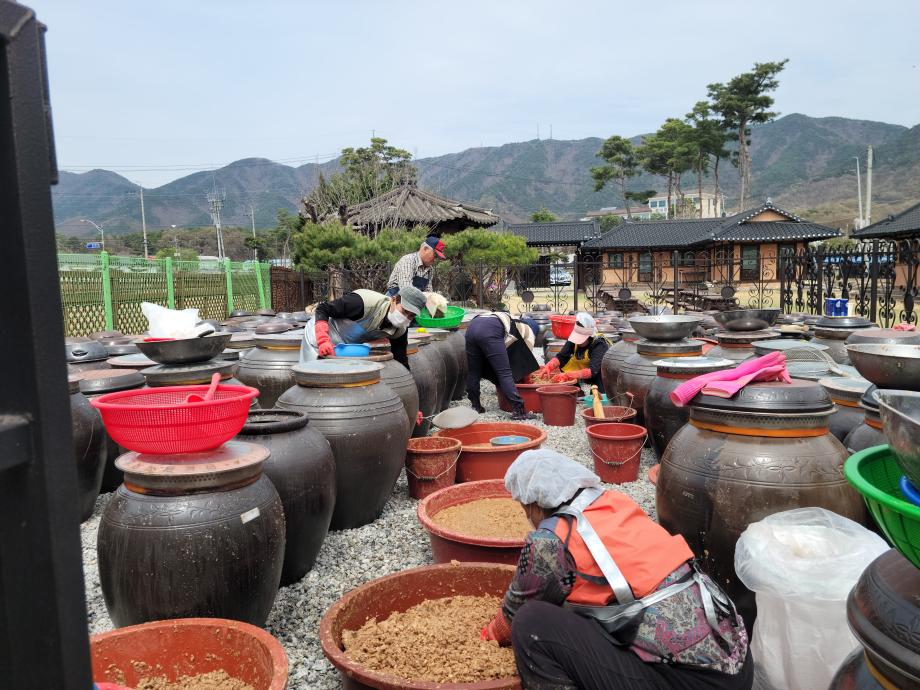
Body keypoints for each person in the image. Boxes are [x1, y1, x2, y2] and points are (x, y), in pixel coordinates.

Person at [482, 450, 752, 690]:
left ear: (534, 504)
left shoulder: (551, 540)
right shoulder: (614, 503)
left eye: (523, 508)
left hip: (691, 680)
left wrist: (487, 636)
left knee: (531, 622)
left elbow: (513, 613)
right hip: (737, 664)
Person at [300, 285, 427, 372]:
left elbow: (401, 360)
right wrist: (323, 339)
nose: (405, 318)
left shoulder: (399, 329)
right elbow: (323, 308)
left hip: (346, 349)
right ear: (394, 300)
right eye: (404, 311)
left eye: (411, 316)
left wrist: (411, 399)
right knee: (314, 376)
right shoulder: (363, 303)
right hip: (319, 338)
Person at [465, 311, 539, 420]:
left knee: (473, 371)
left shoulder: (512, 320)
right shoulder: (529, 331)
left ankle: (476, 406)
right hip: (491, 329)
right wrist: (526, 379)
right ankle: (519, 411)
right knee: (504, 372)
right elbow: (525, 361)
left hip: (472, 327)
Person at [535, 312, 610, 390]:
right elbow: (561, 357)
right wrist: (549, 366)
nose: (577, 341)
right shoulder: (573, 340)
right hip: (584, 370)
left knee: (597, 390)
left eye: (580, 339)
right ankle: (576, 391)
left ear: (589, 337)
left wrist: (568, 375)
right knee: (563, 366)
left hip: (599, 373)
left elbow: (592, 371)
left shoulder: (599, 344)